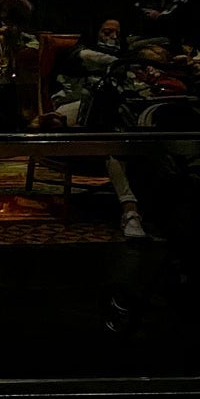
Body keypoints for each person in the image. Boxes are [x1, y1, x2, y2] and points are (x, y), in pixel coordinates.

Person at [47, 18, 145, 238]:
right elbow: (105, 61)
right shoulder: (82, 53)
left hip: (108, 118)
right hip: (73, 108)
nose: (113, 37)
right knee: (110, 130)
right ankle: (130, 209)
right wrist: (136, 62)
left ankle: (135, 207)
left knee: (118, 137)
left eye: (117, 33)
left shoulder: (122, 61)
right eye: (107, 32)